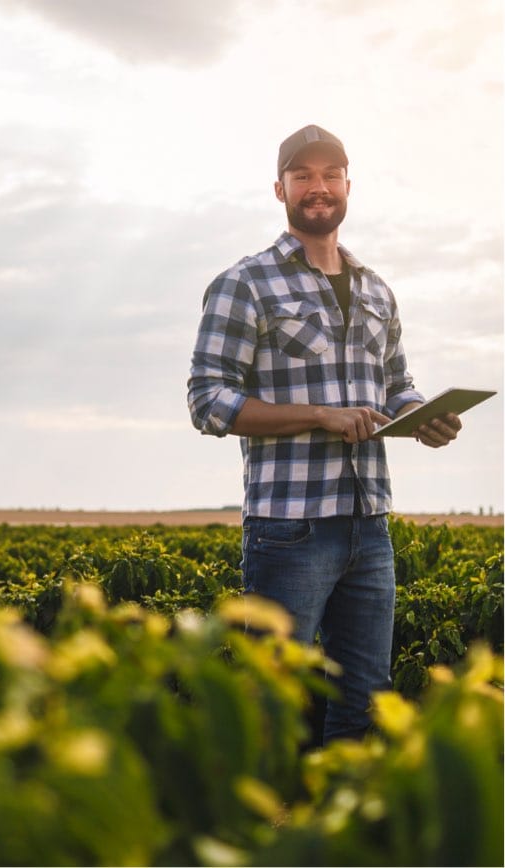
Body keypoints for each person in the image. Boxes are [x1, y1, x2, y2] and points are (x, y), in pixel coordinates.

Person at [187, 124, 462, 744]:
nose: (319, 187)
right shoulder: (245, 284)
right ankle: (260, 833)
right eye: (304, 175)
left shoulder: (375, 289)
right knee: (272, 703)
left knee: (364, 702)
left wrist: (424, 416)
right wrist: (319, 414)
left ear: (347, 186)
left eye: (331, 175)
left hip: (370, 524)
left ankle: (340, 833)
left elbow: (395, 383)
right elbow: (208, 401)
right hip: (290, 528)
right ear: (279, 188)